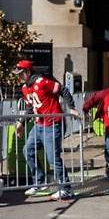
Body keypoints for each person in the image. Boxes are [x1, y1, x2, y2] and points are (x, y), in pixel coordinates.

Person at [13, 59, 78, 200]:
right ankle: (40, 182)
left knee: (53, 159)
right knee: (27, 150)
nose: (18, 76)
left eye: (20, 73)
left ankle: (66, 189)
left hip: (53, 124)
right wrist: (22, 123)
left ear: (28, 72)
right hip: (39, 125)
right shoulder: (25, 88)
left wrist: (72, 108)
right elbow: (31, 108)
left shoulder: (42, 82)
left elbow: (63, 90)